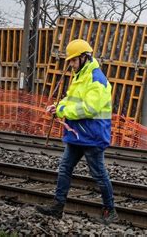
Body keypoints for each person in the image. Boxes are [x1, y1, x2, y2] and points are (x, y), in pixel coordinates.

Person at [35, 39, 117, 224]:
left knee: (99, 175)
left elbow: (89, 108)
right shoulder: (80, 76)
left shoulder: (97, 79)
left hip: (93, 136)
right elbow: (71, 99)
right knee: (65, 168)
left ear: (84, 57)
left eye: (73, 60)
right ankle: (58, 207)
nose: (70, 64)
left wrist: (62, 111)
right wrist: (57, 106)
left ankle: (110, 210)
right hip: (78, 135)